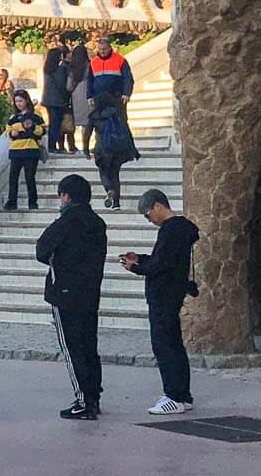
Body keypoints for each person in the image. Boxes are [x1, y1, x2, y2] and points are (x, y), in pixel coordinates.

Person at [121, 188, 201, 415]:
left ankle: (174, 395)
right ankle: (181, 395)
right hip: (171, 292)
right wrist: (141, 259)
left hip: (164, 295)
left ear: (158, 206)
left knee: (165, 345)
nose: (149, 220)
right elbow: (163, 259)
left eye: (148, 214)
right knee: (172, 344)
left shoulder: (172, 230)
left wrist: (136, 267)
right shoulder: (179, 230)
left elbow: (161, 265)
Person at [38, 174, 107, 420]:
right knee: (89, 346)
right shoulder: (98, 224)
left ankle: (83, 401)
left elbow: (41, 250)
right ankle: (94, 397)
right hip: (90, 294)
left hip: (65, 295)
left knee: (72, 349)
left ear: (66, 196)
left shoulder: (65, 223)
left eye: (61, 195)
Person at [87, 89, 141, 209]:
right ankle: (116, 203)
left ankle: (109, 190)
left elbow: (86, 134)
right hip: (117, 149)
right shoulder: (117, 113)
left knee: (104, 173)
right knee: (115, 175)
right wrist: (133, 149)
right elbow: (126, 131)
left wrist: (86, 150)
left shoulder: (94, 116)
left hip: (102, 149)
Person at [5, 89, 46, 211]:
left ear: (26, 100)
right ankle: (12, 202)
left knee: (30, 177)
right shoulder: (13, 117)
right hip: (16, 150)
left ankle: (32, 202)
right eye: (16, 101)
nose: (18, 104)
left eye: (20, 101)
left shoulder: (36, 114)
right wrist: (12, 133)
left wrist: (32, 127)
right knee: (13, 178)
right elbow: (7, 132)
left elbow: (43, 130)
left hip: (30, 149)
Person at [41, 47, 73, 154]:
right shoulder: (60, 69)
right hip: (57, 100)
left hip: (47, 99)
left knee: (52, 123)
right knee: (56, 124)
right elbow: (62, 86)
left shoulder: (47, 69)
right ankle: (52, 146)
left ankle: (52, 145)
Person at [66, 33, 94, 155]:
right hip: (88, 95)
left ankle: (71, 147)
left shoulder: (72, 68)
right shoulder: (90, 65)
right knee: (88, 123)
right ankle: (85, 146)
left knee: (73, 123)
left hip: (75, 97)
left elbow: (68, 86)